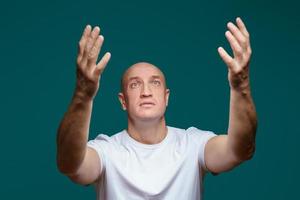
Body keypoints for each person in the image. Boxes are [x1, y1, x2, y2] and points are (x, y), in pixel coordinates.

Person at [56, 17, 257, 200]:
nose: (146, 91)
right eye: (135, 84)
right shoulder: (106, 151)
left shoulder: (193, 145)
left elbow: (239, 150)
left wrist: (241, 87)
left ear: (166, 97)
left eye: (155, 83)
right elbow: (70, 165)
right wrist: (83, 94)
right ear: (123, 101)